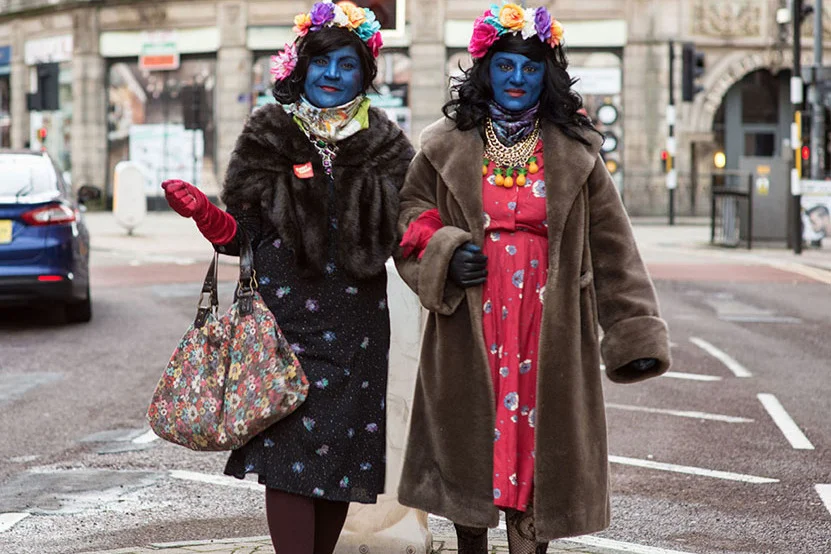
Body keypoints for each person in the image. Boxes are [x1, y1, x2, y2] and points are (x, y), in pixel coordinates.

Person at [394, 3, 671, 553]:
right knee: (467, 444)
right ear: (485, 70)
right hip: (472, 321)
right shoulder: (441, 145)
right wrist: (445, 254)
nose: (516, 79)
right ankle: (469, 541)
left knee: (541, 452)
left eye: (529, 67)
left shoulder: (578, 151)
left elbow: (615, 250)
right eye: (504, 66)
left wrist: (632, 333)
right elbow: (409, 217)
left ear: (547, 73)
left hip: (549, 324)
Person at [161, 2, 414, 552]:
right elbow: (239, 236)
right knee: (289, 459)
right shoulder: (268, 132)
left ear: (364, 73)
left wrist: (431, 233)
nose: (331, 75)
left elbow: (409, 225)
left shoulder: (388, 143)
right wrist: (207, 215)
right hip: (281, 326)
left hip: (357, 330)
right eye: (321, 62)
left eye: (346, 65)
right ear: (300, 68)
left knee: (341, 456)